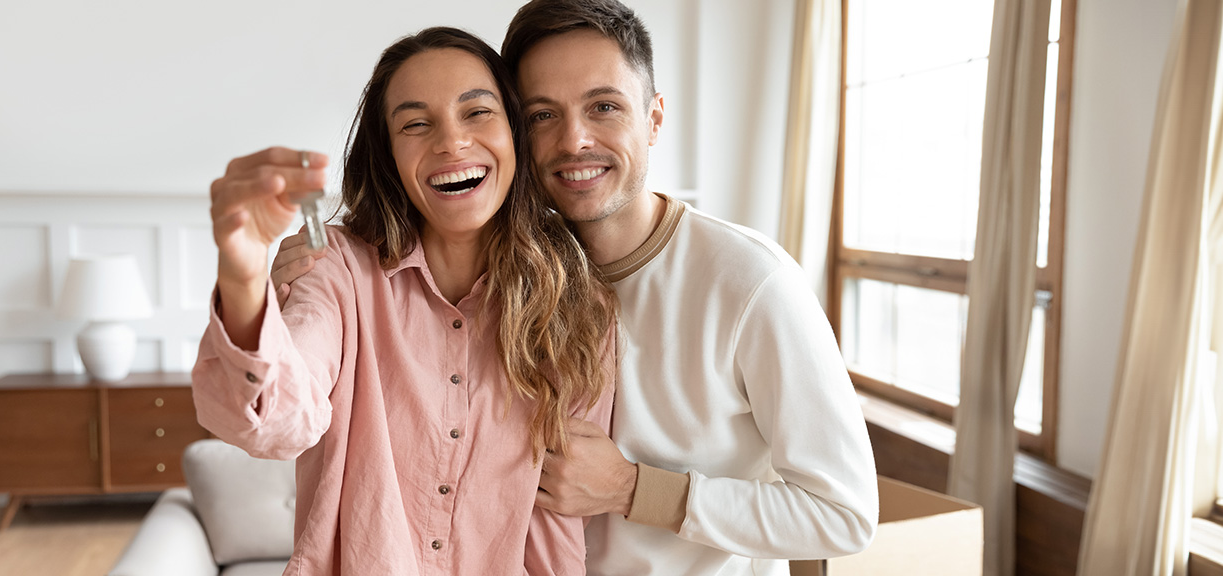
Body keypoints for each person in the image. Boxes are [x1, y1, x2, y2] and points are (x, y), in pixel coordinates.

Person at [274, 1, 879, 574]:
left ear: (654, 118)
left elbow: (844, 516)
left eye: (604, 107)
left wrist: (632, 488)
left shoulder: (750, 282)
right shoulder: (505, 276)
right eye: (542, 115)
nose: (573, 141)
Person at [193, 26, 616, 575]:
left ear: (515, 134)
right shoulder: (336, 265)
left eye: (477, 112)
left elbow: (567, 506)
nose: (450, 143)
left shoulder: (577, 296)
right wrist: (242, 273)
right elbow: (275, 423)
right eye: (415, 124)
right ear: (389, 153)